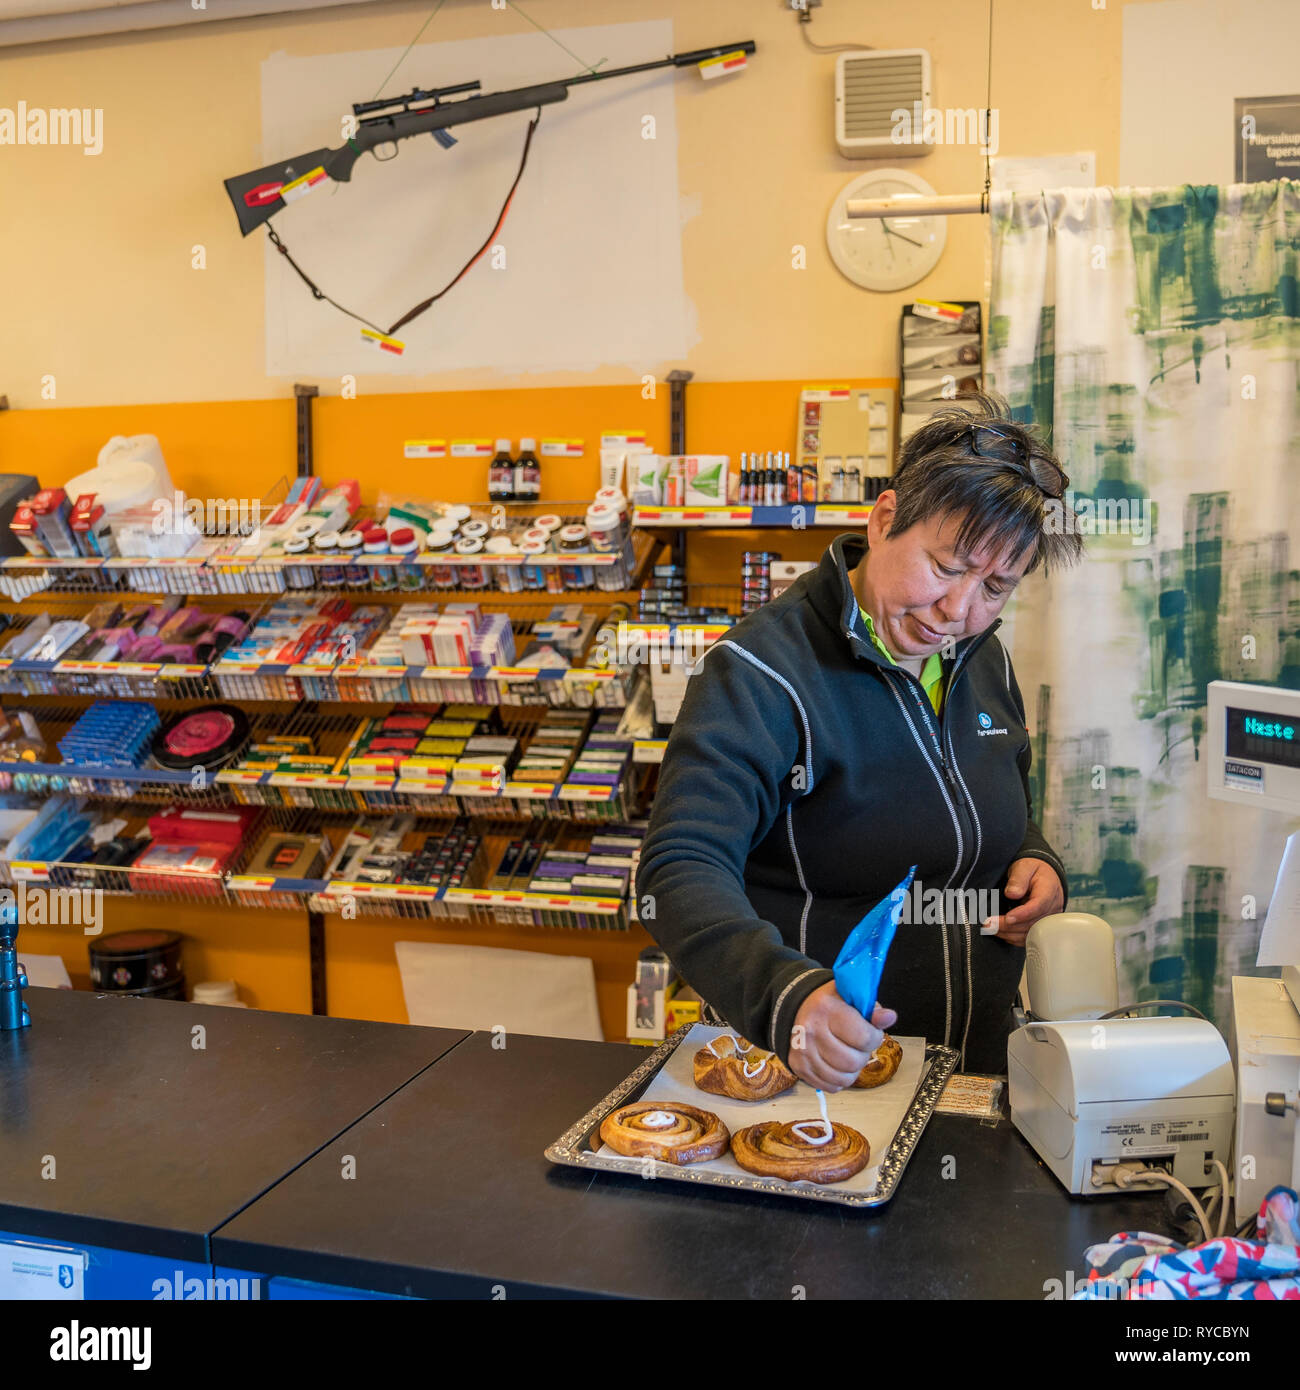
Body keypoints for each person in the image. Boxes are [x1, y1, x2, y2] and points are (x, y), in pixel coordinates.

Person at [636, 393, 1083, 1086]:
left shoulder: (980, 656)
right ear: (883, 522)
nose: (960, 611)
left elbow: (992, 799)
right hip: (819, 1077)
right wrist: (784, 998)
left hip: (973, 1066)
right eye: (946, 567)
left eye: (997, 586)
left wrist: (1036, 859)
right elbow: (677, 869)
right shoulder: (761, 671)